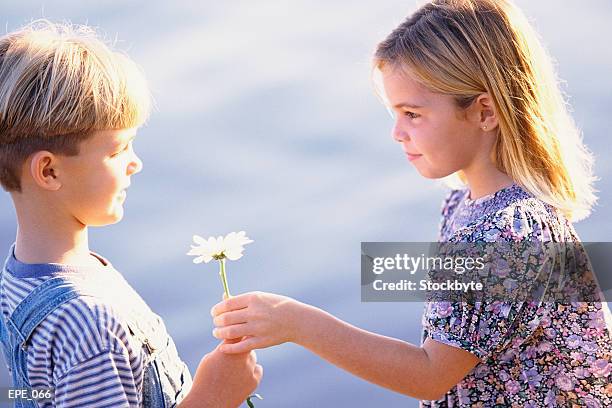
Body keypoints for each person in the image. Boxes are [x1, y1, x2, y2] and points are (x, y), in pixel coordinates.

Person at [210, 0, 612, 406]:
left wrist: (298, 323)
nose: (397, 133)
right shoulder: (465, 206)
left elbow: (431, 374)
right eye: (393, 113)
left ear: (485, 111)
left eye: (412, 114)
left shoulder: (507, 232)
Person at [0, 21, 262, 407]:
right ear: (49, 171)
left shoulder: (20, 275)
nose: (135, 163)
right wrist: (214, 396)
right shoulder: (89, 323)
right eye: (117, 150)